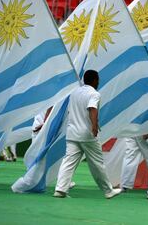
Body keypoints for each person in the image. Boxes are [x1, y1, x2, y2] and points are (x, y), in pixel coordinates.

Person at [53, 70, 121, 199]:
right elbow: (92, 109)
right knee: (97, 163)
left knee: (68, 161)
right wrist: (94, 126)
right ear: (95, 80)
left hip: (72, 133)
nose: (99, 82)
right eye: (98, 79)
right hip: (87, 134)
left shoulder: (74, 92)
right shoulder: (94, 94)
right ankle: (108, 191)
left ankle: (60, 189)